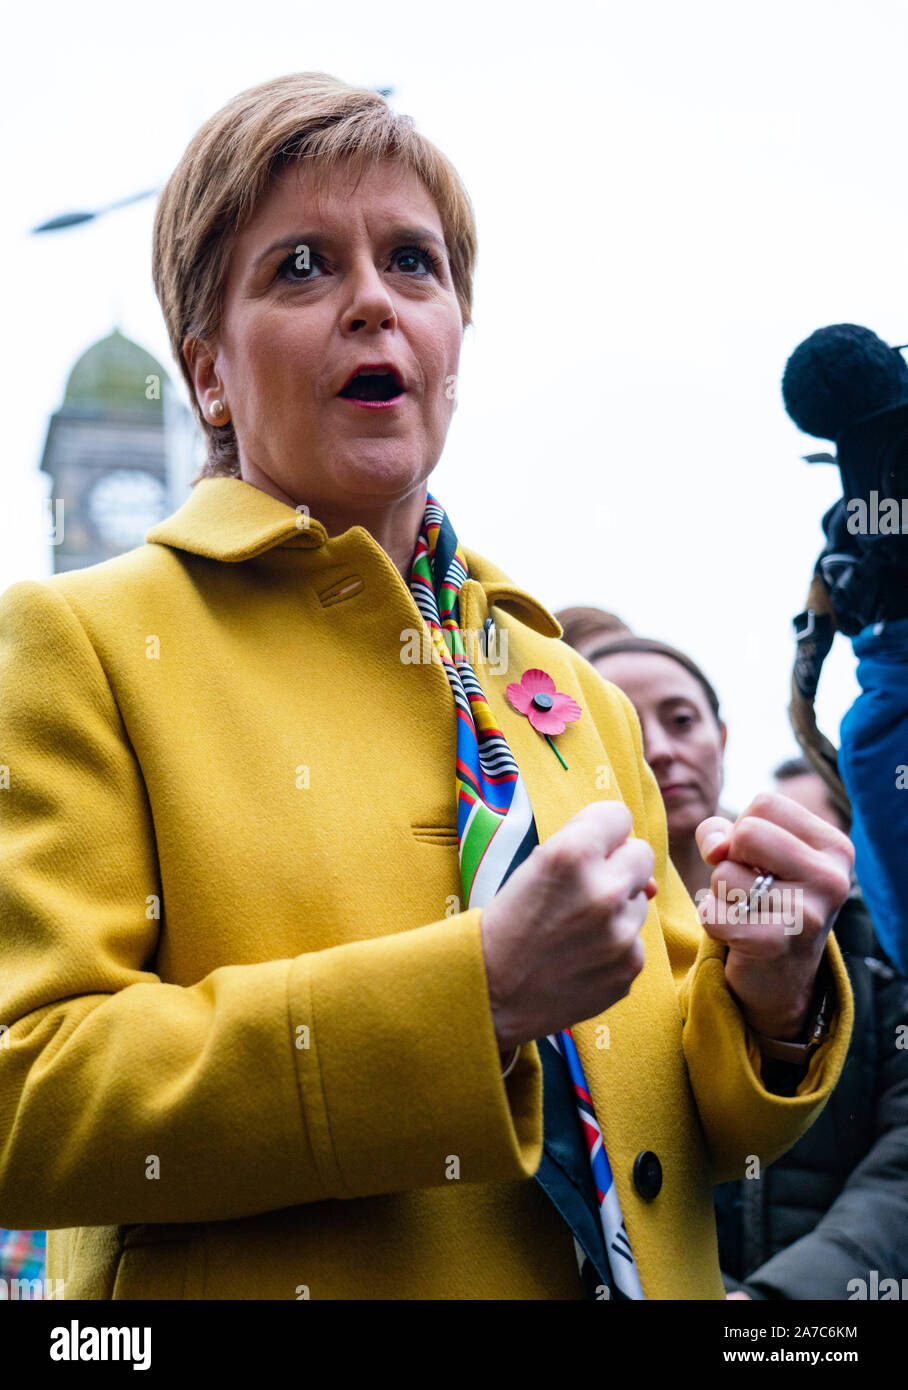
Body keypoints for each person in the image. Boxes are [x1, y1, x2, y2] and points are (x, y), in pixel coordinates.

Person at [0, 73, 855, 1302]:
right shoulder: (77, 637)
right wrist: (474, 999)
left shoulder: (562, 682)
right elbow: (29, 1099)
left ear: (454, 332)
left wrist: (769, 998)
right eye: (299, 266)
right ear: (208, 377)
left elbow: (680, 1127)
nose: (371, 303)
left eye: (413, 263)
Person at [566, 623, 908, 1301]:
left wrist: (780, 1301)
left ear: (720, 739)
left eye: (682, 719)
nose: (661, 751)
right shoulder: (557, 951)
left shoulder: (854, 924)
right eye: (627, 727)